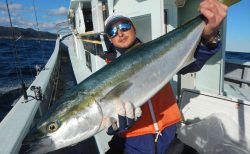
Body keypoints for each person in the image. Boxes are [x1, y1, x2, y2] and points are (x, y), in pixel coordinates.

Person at [102, 0, 227, 153]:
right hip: (131, 146)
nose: (120, 33)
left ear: (134, 28)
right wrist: (115, 127)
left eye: (124, 26)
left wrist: (209, 36)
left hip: (169, 141)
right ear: (109, 39)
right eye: (112, 31)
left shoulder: (157, 54)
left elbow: (193, 64)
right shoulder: (105, 75)